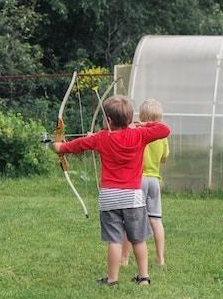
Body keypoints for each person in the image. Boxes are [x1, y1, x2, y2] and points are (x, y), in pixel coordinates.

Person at [53, 95, 170, 286]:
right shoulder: (139, 135)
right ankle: (143, 278)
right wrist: (143, 125)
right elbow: (164, 129)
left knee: (114, 240)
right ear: (130, 119)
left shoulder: (101, 138)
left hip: (109, 198)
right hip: (133, 198)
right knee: (138, 239)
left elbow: (78, 145)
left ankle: (112, 279)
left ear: (108, 121)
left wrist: (60, 147)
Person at [121, 99, 169, 266]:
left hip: (138, 180)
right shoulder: (162, 137)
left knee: (131, 220)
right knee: (156, 220)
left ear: (141, 116)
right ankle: (160, 259)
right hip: (154, 181)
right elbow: (164, 159)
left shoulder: (137, 132)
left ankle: (124, 258)